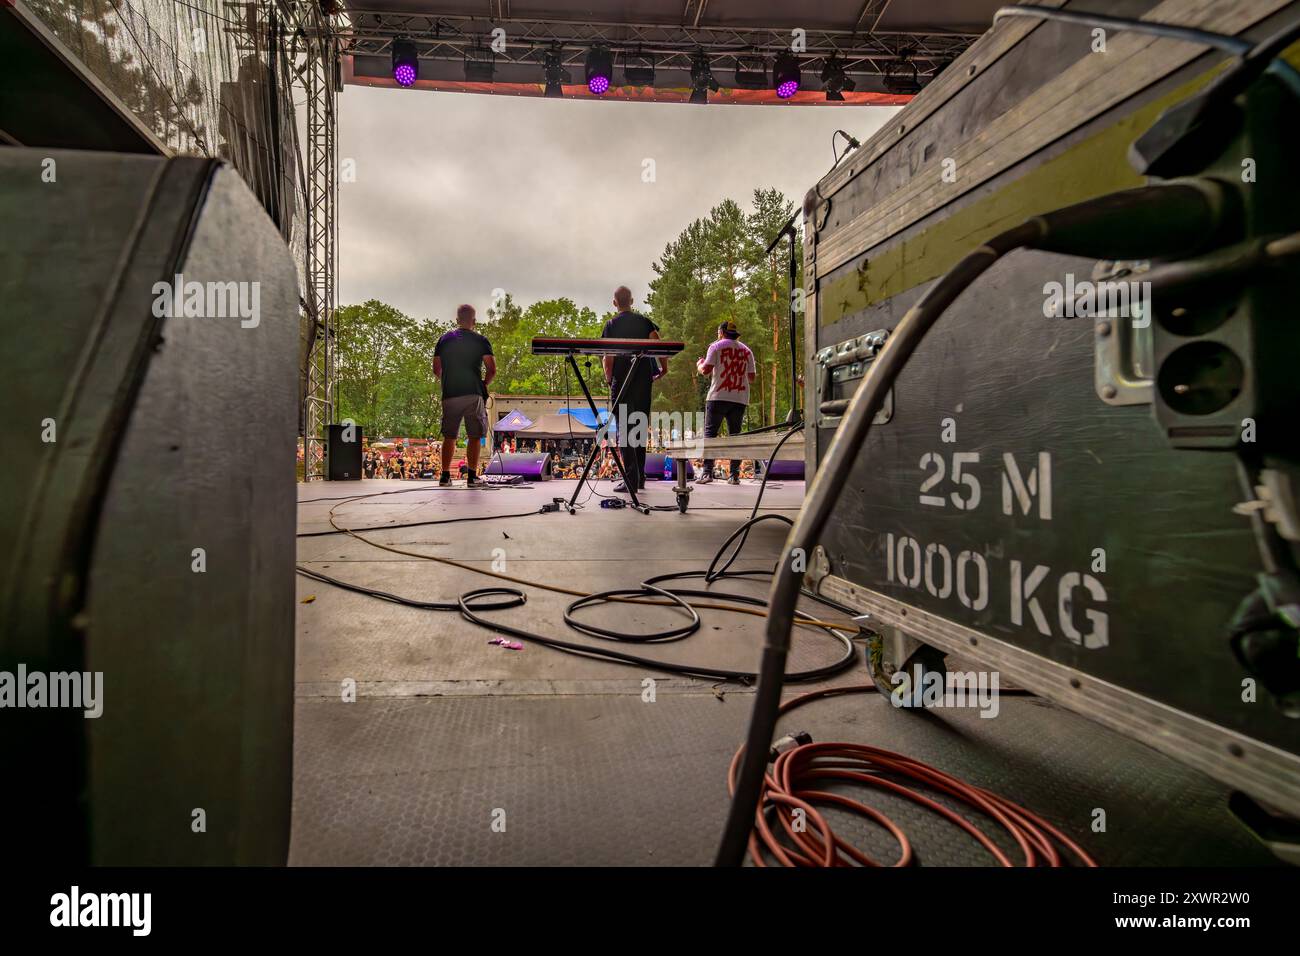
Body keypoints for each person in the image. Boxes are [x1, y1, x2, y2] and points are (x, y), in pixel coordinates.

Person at [601, 286, 667, 494]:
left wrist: (609, 378)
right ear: (632, 301)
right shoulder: (644, 322)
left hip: (622, 381)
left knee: (624, 430)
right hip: (643, 380)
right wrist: (664, 368)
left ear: (615, 303)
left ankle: (630, 479)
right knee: (638, 428)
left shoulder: (611, 325)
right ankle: (639, 478)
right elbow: (659, 344)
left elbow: (607, 357)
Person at [433, 304, 495, 486]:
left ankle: (445, 477)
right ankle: (472, 477)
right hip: (472, 393)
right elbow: (492, 369)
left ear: (457, 320)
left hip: (450, 394)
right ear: (474, 321)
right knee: (475, 435)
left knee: (449, 435)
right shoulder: (481, 340)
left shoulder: (444, 339)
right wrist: (483, 384)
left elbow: (436, 368)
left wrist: (448, 380)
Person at [696, 320, 756, 485]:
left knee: (710, 435)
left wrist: (699, 364)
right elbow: (751, 377)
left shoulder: (715, 346)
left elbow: (706, 371)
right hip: (740, 398)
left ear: (721, 332)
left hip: (718, 396)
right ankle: (734, 475)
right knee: (735, 436)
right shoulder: (747, 351)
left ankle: (707, 473)